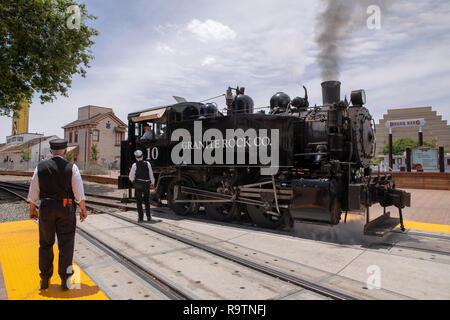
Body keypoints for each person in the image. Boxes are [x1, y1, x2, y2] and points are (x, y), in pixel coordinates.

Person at [27, 139, 87, 291]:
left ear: (51, 151)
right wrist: (83, 209)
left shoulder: (40, 168)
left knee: (45, 244)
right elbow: (78, 192)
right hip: (66, 207)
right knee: (66, 245)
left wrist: (32, 209)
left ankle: (45, 279)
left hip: (46, 207)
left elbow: (34, 190)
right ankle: (65, 280)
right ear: (66, 151)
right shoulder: (72, 168)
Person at [128, 150, 155, 223]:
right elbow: (151, 174)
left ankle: (140, 218)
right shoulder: (147, 163)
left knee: (139, 201)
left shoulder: (134, 165)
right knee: (147, 201)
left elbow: (131, 176)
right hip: (146, 184)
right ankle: (149, 216)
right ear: (142, 156)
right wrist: (152, 182)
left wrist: (133, 181)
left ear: (136, 157)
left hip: (138, 184)